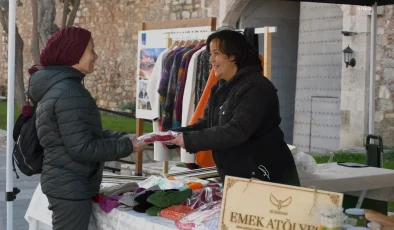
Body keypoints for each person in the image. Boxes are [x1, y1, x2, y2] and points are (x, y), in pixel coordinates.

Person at [28, 27, 147, 230]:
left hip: (66, 182)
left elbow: (78, 134)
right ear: (74, 53)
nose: (96, 56)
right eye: (91, 49)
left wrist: (121, 137)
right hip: (70, 186)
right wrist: (125, 146)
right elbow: (82, 148)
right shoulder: (69, 92)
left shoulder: (63, 87)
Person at [169, 29, 300, 186]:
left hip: (265, 177)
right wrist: (173, 135)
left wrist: (189, 140)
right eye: (210, 54)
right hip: (239, 176)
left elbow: (236, 130)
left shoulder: (256, 87)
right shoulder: (220, 87)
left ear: (233, 55)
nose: (211, 60)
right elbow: (208, 123)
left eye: (216, 53)